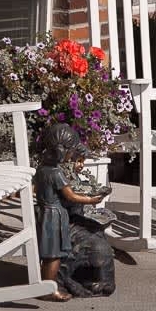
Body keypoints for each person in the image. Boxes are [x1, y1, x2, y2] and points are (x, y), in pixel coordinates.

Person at [34, 123, 103, 302]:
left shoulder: (41, 169)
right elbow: (71, 196)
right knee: (54, 255)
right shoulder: (56, 173)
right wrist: (91, 199)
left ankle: (43, 283)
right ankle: (49, 290)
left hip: (43, 212)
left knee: (47, 254)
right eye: (72, 152)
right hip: (54, 216)